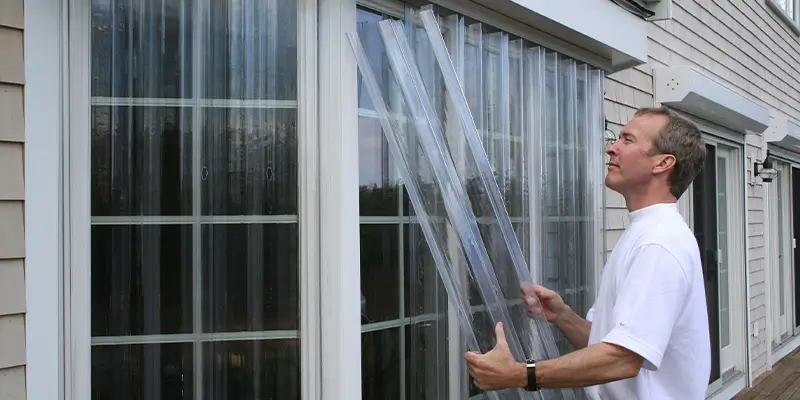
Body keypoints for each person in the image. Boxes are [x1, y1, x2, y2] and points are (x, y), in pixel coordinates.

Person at [464, 107, 712, 399]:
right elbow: (610, 342)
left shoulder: (659, 243)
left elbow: (623, 358)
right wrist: (563, 316)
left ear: (662, 163)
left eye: (627, 140)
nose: (611, 148)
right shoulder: (645, 231)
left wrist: (519, 374)